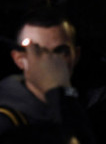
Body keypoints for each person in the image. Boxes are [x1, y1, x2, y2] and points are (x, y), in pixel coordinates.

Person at [0, 8, 93, 143]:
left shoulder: (81, 101)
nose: (50, 62)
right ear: (18, 59)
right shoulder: (7, 121)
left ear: (76, 55)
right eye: (38, 53)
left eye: (61, 52)